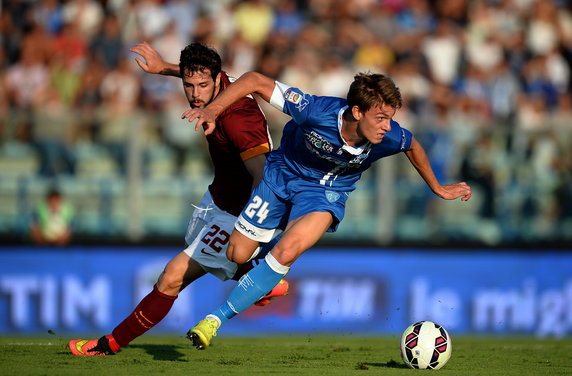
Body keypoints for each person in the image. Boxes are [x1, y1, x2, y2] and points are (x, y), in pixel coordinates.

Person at [183, 71, 472, 349]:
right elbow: (255, 80)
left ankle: (212, 321)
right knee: (237, 254)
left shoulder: (389, 135)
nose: (387, 126)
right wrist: (214, 109)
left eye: (390, 118)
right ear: (357, 112)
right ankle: (267, 272)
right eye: (381, 118)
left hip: (325, 195)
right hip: (280, 177)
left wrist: (437, 186)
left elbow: (413, 145)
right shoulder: (315, 110)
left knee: (287, 251)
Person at [68, 42, 288, 356]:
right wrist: (164, 68)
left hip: (237, 211)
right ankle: (258, 277)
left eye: (202, 86)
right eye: (188, 85)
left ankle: (107, 345)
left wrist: (250, 230)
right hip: (217, 197)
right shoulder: (218, 83)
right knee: (190, 250)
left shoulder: (239, 119)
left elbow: (263, 176)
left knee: (172, 277)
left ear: (216, 81)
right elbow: (198, 76)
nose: (195, 94)